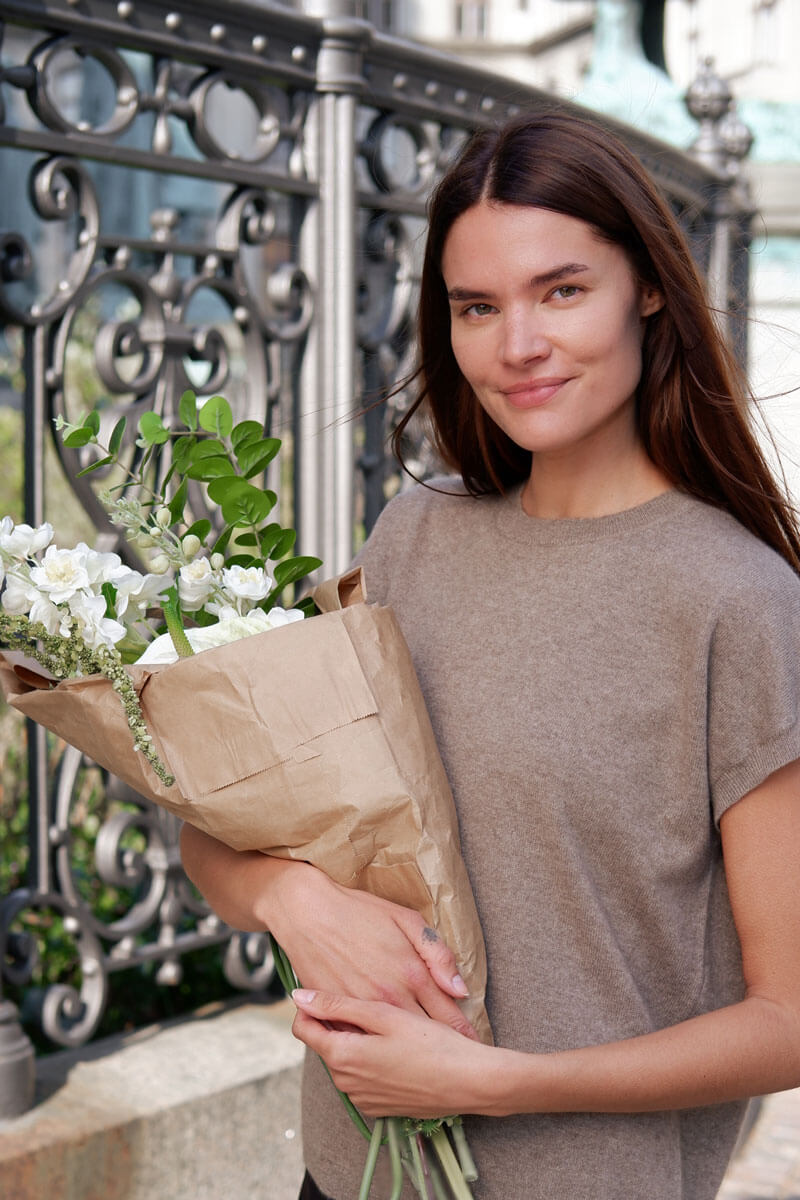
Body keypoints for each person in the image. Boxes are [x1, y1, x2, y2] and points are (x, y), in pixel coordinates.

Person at [180, 110, 800, 1200]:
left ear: (646, 288)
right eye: (476, 306)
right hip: (350, 1178)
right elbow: (217, 844)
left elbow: (787, 1020)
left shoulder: (738, 603)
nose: (515, 345)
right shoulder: (413, 537)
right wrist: (293, 901)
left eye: (560, 290)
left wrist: (490, 1081)